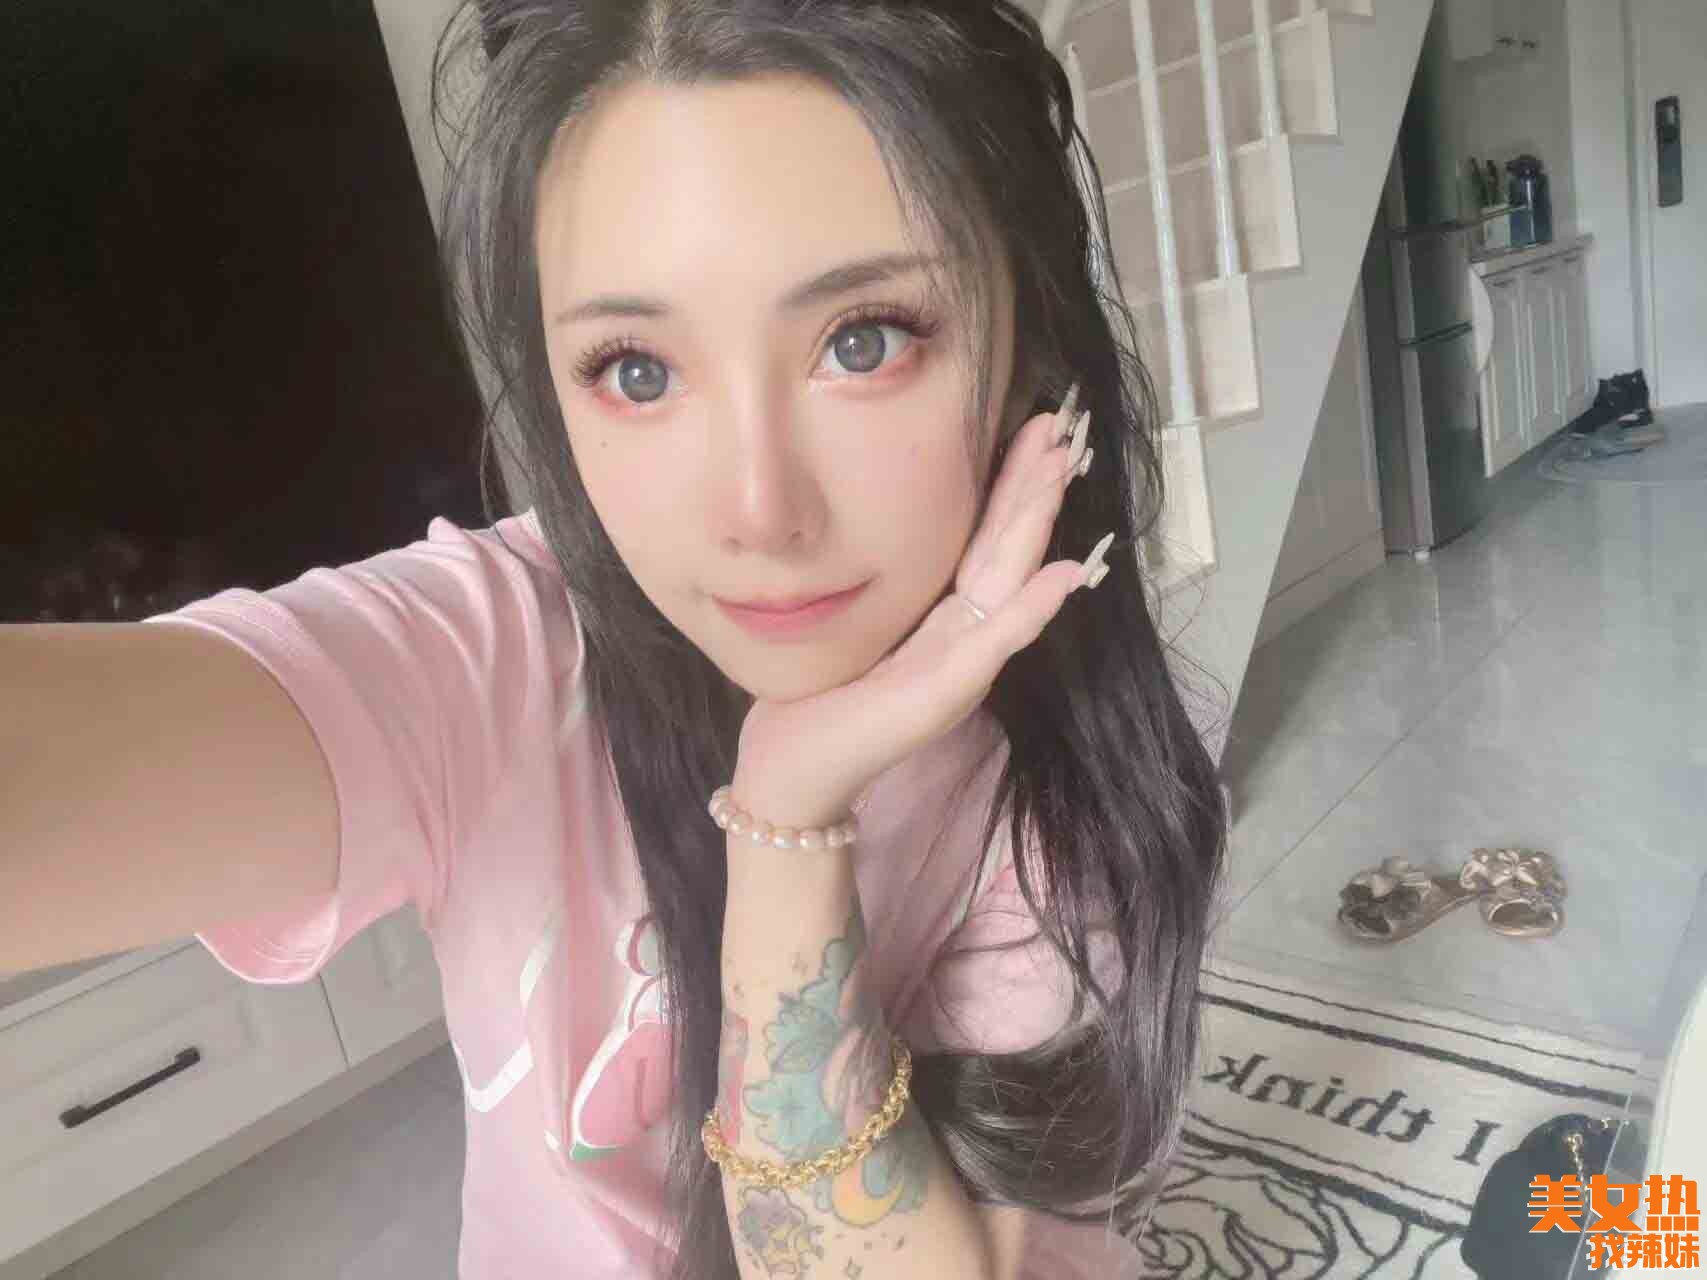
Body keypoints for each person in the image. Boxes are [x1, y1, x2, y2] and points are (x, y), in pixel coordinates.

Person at [0, 1, 1227, 1275]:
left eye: (864, 341)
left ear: (1024, 338)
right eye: (637, 370)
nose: (758, 511)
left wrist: (788, 811)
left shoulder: (1055, 780)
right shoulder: (488, 655)